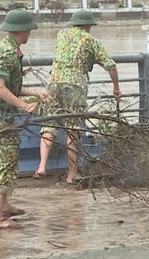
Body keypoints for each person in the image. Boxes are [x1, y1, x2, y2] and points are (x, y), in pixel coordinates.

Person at [0, 10, 50, 229]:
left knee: (1, 164)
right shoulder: (8, 53)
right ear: (23, 30)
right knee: (8, 164)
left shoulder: (6, 48)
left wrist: (34, 92)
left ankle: (4, 206)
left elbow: (7, 86)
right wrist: (24, 105)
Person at [36, 10, 121, 183]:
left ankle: (42, 166)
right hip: (75, 85)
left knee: (49, 123)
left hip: (53, 82)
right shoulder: (90, 40)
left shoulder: (61, 34)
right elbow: (111, 66)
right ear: (88, 26)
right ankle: (72, 173)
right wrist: (116, 88)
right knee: (73, 129)